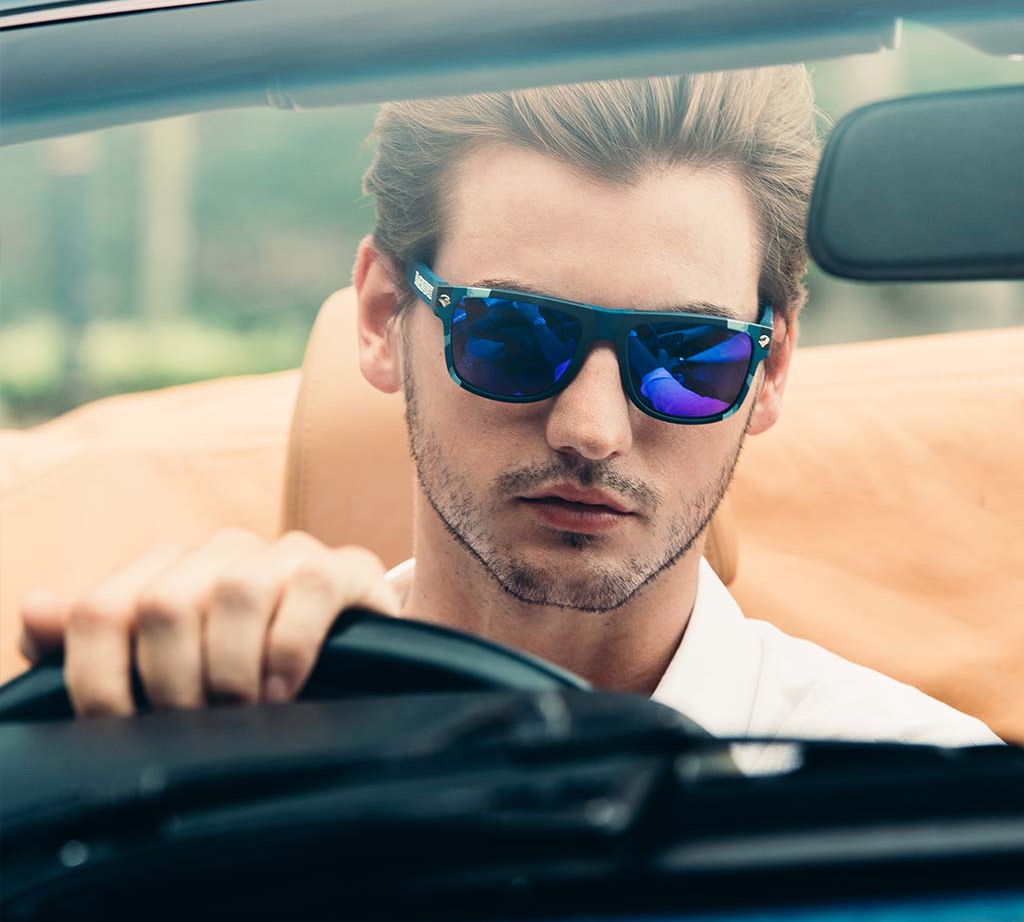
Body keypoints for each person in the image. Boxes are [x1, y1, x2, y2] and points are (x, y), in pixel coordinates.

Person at [18, 69, 999, 745]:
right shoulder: (203, 749)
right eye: (512, 337)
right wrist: (134, 744)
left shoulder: (912, 793)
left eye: (685, 356)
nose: (592, 429)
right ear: (378, 318)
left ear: (771, 369)